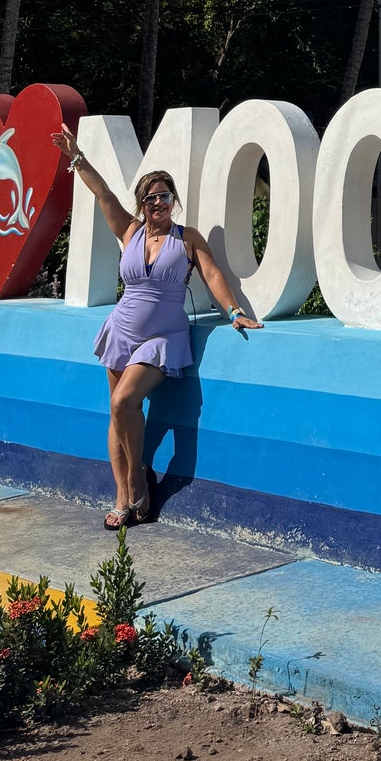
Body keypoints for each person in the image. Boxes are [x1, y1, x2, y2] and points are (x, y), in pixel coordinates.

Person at [51, 125, 262, 529]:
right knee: (116, 415)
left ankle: (137, 478)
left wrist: (234, 311)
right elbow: (103, 193)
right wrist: (76, 156)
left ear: (173, 201)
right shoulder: (130, 231)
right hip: (121, 330)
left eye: (165, 196)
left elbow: (212, 274)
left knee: (123, 403)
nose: (158, 203)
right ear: (142, 204)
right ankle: (122, 496)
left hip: (163, 337)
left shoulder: (187, 239)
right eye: (151, 198)